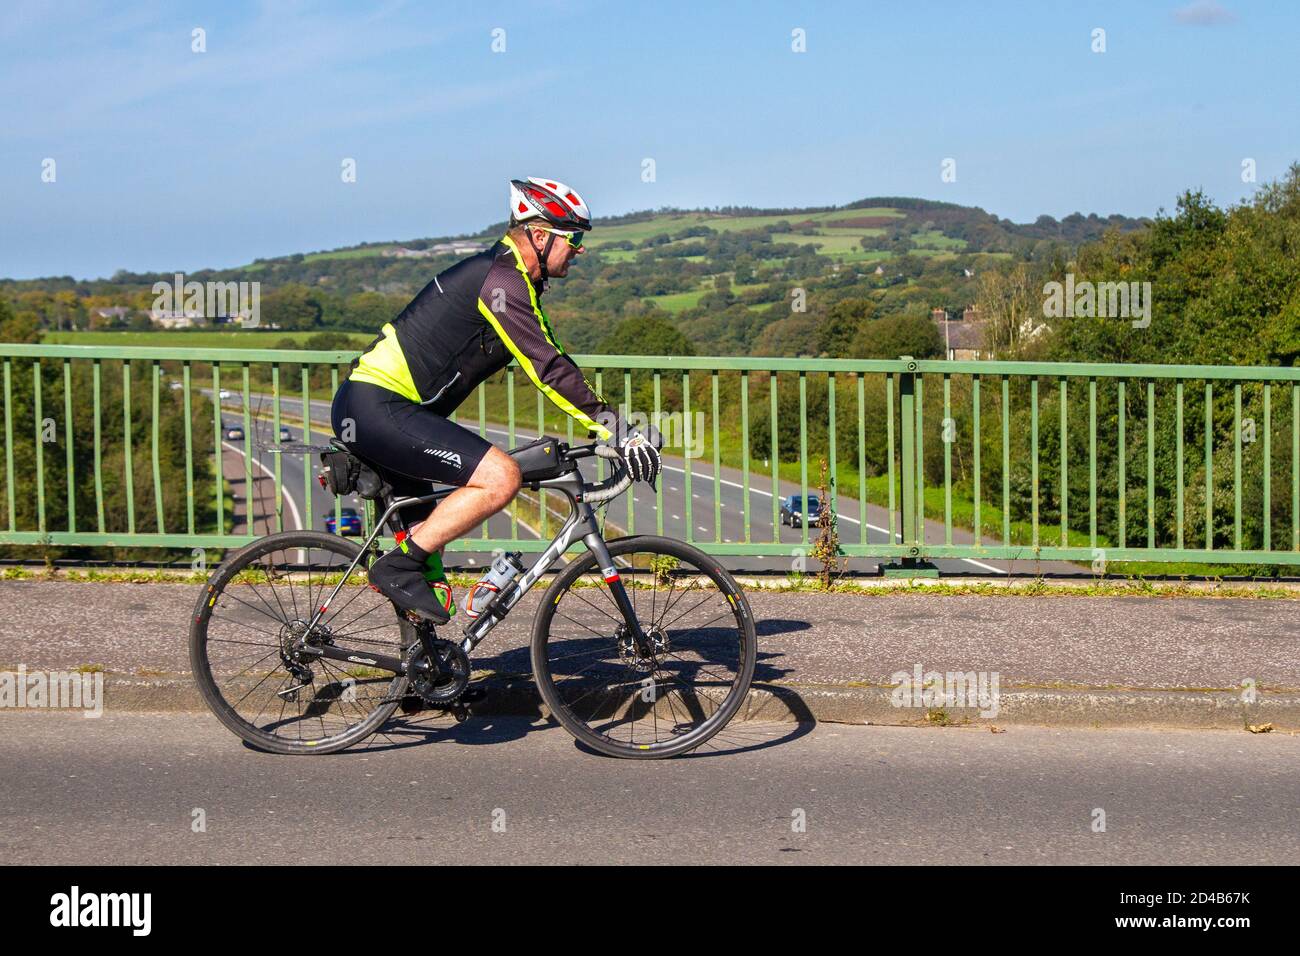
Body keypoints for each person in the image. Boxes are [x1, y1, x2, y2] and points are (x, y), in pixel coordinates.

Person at [331, 177, 662, 623]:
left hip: (386, 411)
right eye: (574, 238)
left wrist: (603, 428)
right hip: (378, 408)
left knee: (429, 591)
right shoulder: (500, 280)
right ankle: (395, 566)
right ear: (540, 235)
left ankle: (424, 682)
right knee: (501, 477)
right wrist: (617, 431)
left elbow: (545, 361)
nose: (580, 249)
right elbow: (546, 365)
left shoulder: (511, 279)